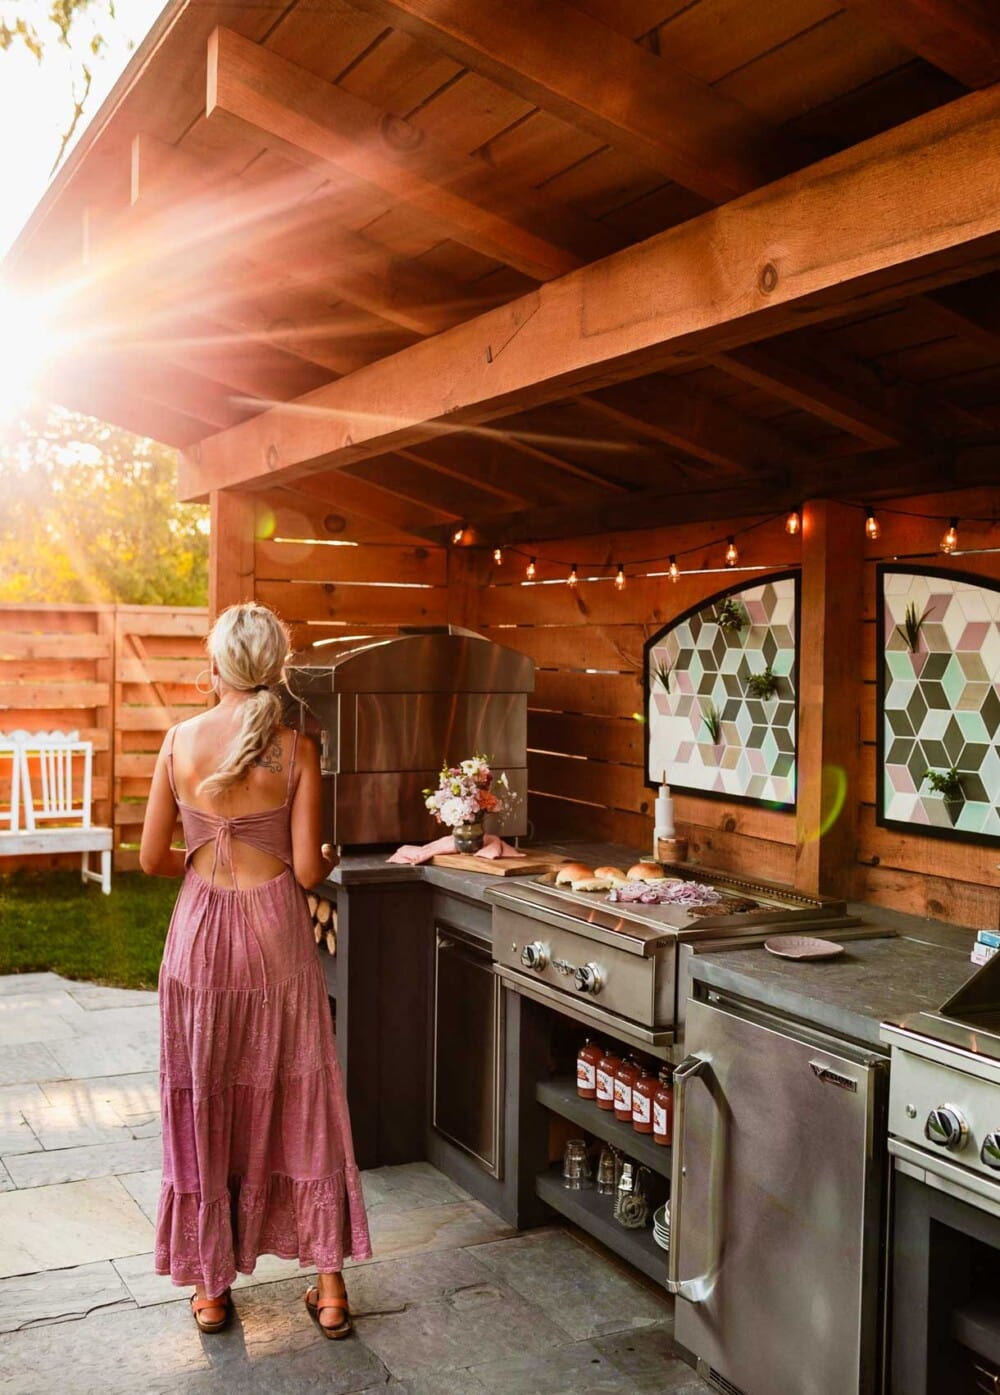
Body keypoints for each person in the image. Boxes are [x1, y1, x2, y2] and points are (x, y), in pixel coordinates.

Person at [140, 603, 370, 1337]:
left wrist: (206, 833)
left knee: (206, 1094)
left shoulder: (178, 741)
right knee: (302, 1090)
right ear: (277, 665)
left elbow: (149, 860)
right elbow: (306, 870)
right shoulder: (298, 747)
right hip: (275, 935)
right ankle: (329, 1286)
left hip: (200, 936)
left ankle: (211, 1288)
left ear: (217, 666)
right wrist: (325, 854)